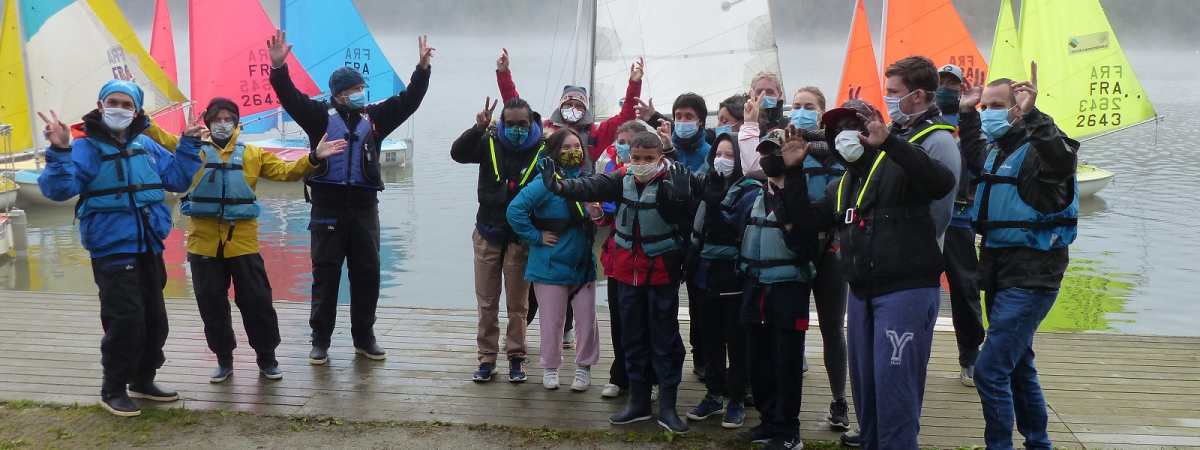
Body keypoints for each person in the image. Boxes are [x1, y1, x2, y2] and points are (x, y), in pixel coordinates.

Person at [143, 98, 347, 383]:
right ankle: (224, 360)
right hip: (203, 243)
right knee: (211, 303)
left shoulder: (253, 153)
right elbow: (159, 137)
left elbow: (287, 172)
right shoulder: (192, 151)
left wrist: (314, 157)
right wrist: (138, 111)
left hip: (244, 243)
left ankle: (267, 358)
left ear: (237, 123)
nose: (223, 124)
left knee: (257, 302)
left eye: (229, 119)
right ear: (208, 123)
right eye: (217, 119)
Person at [36, 79, 204, 417]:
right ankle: (113, 387)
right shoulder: (85, 148)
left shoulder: (147, 144)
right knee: (125, 319)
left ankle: (143, 379)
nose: (120, 109)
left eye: (128, 105)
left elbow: (177, 180)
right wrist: (59, 151)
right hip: (111, 248)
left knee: (155, 320)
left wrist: (187, 144)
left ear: (137, 111)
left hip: (149, 245)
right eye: (113, 102)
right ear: (100, 106)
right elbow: (58, 190)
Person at [267, 31, 433, 364]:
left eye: (362, 88)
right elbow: (289, 96)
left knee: (367, 274)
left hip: (364, 210)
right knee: (325, 275)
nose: (362, 93)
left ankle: (365, 338)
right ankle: (321, 341)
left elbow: (410, 99)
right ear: (341, 95)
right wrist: (278, 66)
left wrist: (423, 68)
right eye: (356, 89)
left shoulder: (375, 118)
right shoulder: (318, 117)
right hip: (326, 209)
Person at [815, 74, 957, 449]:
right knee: (867, 398)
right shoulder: (840, 185)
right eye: (838, 130)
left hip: (906, 292)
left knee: (896, 396)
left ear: (873, 127)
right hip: (861, 295)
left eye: (854, 126)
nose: (846, 134)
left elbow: (942, 183)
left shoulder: (902, 162)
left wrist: (891, 142)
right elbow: (799, 224)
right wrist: (791, 172)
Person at [541, 131, 695, 433]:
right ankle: (637, 403)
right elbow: (589, 185)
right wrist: (559, 186)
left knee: (665, 340)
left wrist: (682, 195)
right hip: (626, 270)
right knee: (631, 337)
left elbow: (683, 214)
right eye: (635, 158)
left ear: (659, 158)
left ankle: (667, 407)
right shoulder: (619, 178)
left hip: (661, 270)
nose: (641, 164)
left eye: (648, 159)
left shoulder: (671, 181)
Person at [959, 62, 1079, 450]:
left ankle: (1001, 446)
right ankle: (1038, 444)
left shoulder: (1042, 152)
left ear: (1017, 108)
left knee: (990, 369)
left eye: (999, 105)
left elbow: (1063, 161)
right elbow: (975, 150)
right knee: (1019, 365)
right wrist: (965, 111)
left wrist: (1034, 114)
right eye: (986, 105)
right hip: (999, 270)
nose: (990, 111)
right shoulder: (997, 152)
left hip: (1033, 275)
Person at [731, 128, 822, 450]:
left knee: (787, 362)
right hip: (754, 288)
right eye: (767, 152)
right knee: (759, 360)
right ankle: (768, 421)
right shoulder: (750, 198)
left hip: (788, 290)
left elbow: (807, 246)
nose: (773, 158)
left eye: (778, 152)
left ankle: (789, 431)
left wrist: (786, 202)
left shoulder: (804, 200)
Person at [451, 96, 547, 383]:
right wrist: (476, 128)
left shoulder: (544, 148)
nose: (516, 129)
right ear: (501, 123)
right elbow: (457, 153)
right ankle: (487, 358)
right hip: (487, 234)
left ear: (532, 124)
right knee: (487, 302)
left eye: (522, 124)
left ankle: (516, 357)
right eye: (510, 124)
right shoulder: (488, 140)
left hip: (521, 239)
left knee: (518, 305)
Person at [506, 129, 602, 392]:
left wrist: (596, 213)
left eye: (577, 147)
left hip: (583, 264)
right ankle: (550, 367)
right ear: (554, 152)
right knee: (552, 320)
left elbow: (599, 218)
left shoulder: (587, 181)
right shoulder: (544, 183)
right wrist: (535, 236)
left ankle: (584, 367)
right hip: (549, 263)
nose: (573, 152)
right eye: (566, 147)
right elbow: (515, 211)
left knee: (586, 319)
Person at [683, 132, 758, 429]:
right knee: (710, 340)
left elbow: (735, 233)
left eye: (730, 155)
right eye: (719, 153)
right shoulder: (708, 184)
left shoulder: (750, 191)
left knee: (737, 343)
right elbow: (697, 228)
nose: (722, 160)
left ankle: (737, 399)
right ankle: (713, 395)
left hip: (733, 277)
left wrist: (714, 208)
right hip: (704, 275)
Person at [790, 87, 853, 431]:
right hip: (798, 251)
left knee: (832, 328)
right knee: (795, 326)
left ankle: (838, 401)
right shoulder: (791, 150)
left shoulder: (846, 154)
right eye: (796, 106)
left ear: (820, 114)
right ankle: (789, 403)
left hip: (833, 253)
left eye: (808, 107)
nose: (800, 111)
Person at [592, 121, 661, 399]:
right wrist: (596, 213)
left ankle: (652, 379)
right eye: (622, 142)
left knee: (650, 323)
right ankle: (620, 376)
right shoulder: (611, 172)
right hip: (617, 258)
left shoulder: (662, 178)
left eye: (631, 142)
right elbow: (606, 217)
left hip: (651, 262)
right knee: (620, 321)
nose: (626, 147)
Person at [495, 48, 643, 164]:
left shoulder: (596, 133)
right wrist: (503, 73)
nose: (573, 108)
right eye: (569, 104)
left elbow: (627, 117)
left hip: (583, 188)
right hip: (549, 187)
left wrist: (634, 83)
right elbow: (516, 108)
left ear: (585, 110)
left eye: (579, 106)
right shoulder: (543, 126)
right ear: (561, 106)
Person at [934, 64, 987, 387]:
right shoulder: (921, 121)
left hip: (960, 219)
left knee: (965, 290)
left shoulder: (974, 126)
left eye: (953, 83)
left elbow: (984, 167)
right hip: (924, 221)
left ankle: (970, 356)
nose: (946, 88)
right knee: (916, 287)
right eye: (941, 82)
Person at [883, 56, 962, 246]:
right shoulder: (890, 132)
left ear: (918, 96)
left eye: (893, 92)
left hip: (912, 256)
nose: (887, 98)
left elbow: (941, 211)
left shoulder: (939, 141)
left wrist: (918, 249)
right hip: (883, 252)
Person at [660, 93, 711, 172]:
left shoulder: (710, 154)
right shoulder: (662, 149)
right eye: (678, 116)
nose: (682, 121)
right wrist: (667, 149)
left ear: (701, 121)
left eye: (689, 116)